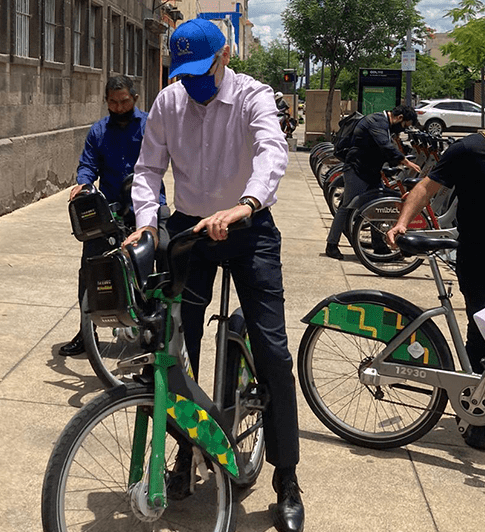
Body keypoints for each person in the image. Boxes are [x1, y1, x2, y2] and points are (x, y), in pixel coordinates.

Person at [124, 19, 303, 532]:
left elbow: (273, 151)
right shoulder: (169, 101)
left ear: (223, 57)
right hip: (190, 227)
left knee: (272, 348)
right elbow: (147, 169)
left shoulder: (253, 95)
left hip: (248, 225)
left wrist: (245, 205)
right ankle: (185, 452)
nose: (194, 83)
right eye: (184, 74)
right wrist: (145, 224)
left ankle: (286, 478)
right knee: (177, 345)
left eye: (202, 71)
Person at [386, 130, 485, 450]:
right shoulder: (468, 149)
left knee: (479, 333)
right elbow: (425, 187)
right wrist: (402, 223)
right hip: (477, 260)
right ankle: (473, 415)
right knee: (481, 331)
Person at [58, 75, 167, 357]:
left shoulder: (149, 126)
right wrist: (83, 183)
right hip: (112, 209)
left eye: (124, 102)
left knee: (163, 256)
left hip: (148, 205)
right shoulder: (98, 131)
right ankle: (86, 331)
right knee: (91, 266)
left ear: (135, 99)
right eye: (113, 102)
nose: (119, 108)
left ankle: (159, 326)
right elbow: (88, 165)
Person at [325, 105, 422, 260]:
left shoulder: (385, 123)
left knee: (379, 206)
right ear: (400, 118)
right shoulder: (377, 121)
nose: (402, 130)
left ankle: (380, 247)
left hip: (370, 171)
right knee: (347, 206)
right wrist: (404, 161)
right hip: (357, 169)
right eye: (404, 126)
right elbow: (384, 144)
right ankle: (331, 244)